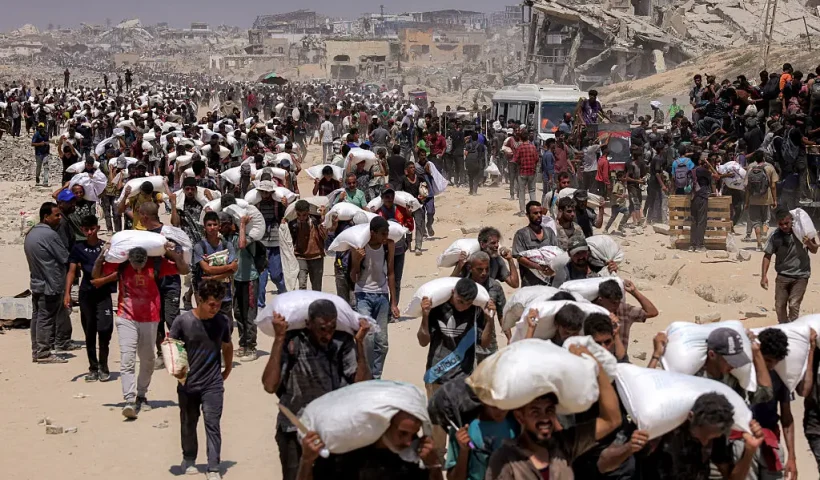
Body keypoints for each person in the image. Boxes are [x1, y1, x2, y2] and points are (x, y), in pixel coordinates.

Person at [262, 299, 371, 480]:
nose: (327, 335)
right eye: (322, 329)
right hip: (293, 428)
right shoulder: (292, 343)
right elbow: (269, 385)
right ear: (308, 324)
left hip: (332, 429)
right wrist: (279, 338)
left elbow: (361, 385)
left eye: (332, 328)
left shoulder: (342, 342)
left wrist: (359, 343)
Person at [485, 344, 622, 480]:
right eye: (535, 412)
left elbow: (612, 420)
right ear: (520, 416)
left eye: (549, 410)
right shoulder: (505, 459)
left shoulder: (564, 444)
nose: (545, 418)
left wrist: (596, 366)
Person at [94, 242, 189, 419]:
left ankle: (141, 395)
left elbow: (183, 270)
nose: (138, 270)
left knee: (148, 359)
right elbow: (96, 274)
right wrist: (101, 255)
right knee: (127, 358)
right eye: (135, 266)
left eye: (141, 266)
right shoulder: (121, 265)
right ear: (129, 260)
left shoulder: (158, 265)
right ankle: (129, 399)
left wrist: (173, 254)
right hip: (126, 317)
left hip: (150, 318)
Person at [418, 277, 495, 456]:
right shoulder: (437, 309)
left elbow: (484, 343)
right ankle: (436, 462)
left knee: (463, 422)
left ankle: (459, 460)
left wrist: (490, 320)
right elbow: (423, 341)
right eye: (460, 301)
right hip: (437, 373)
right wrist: (425, 315)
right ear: (453, 293)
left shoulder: (476, 311)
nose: (463, 307)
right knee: (437, 423)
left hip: (464, 374)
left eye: (467, 303)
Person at [171, 279, 234, 480]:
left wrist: (228, 369)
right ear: (199, 300)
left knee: (212, 423)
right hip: (188, 384)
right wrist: (177, 371)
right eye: (211, 304)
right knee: (188, 422)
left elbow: (227, 346)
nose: (215, 308)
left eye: (219, 303)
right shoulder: (183, 322)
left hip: (213, 383)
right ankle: (189, 458)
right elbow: (172, 347)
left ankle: (213, 467)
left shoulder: (222, 321)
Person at [628, 393, 764, 480]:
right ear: (691, 418)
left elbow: (731, 477)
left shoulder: (716, 436)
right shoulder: (663, 432)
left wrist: (750, 451)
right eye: (702, 436)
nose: (705, 443)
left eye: (711, 438)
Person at [298, 410, 442, 480]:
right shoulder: (345, 454)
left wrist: (434, 466)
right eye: (402, 434)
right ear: (384, 427)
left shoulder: (410, 459)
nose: (409, 442)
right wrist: (307, 461)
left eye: (413, 435)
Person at [735, 327, 796, 480]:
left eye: (775, 362)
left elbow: (787, 418)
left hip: (770, 441)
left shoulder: (781, 376)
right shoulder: (742, 373)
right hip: (743, 442)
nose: (771, 365)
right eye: (767, 360)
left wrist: (792, 457)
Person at [64, 215, 116, 381]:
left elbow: (117, 272)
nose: (89, 233)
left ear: (97, 228)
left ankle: (104, 365)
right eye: (86, 230)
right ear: (82, 230)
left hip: (103, 293)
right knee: (90, 332)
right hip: (86, 293)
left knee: (105, 330)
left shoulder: (106, 247)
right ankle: (93, 368)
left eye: (92, 229)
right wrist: (67, 294)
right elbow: (72, 271)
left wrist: (104, 280)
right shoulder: (78, 248)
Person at [350, 217, 400, 379]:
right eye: (382, 234)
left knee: (382, 342)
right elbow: (353, 277)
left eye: (387, 233)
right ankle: (368, 375)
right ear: (372, 233)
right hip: (363, 294)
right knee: (368, 339)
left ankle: (376, 376)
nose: (386, 237)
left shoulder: (389, 246)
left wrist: (394, 302)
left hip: (382, 296)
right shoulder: (359, 247)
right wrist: (357, 260)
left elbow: (391, 273)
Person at [25, 202, 71, 363]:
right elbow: (65, 257)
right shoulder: (50, 235)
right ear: (46, 217)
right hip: (49, 284)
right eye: (56, 215)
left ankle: (37, 350)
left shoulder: (32, 234)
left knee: (37, 317)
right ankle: (44, 353)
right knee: (45, 318)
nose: (59, 218)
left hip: (37, 282)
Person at [762, 207, 818, 323]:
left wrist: (808, 243)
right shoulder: (775, 236)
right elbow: (767, 255)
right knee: (779, 305)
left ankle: (793, 329)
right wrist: (764, 276)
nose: (784, 226)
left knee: (793, 305)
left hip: (801, 275)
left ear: (791, 220)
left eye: (787, 223)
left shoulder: (802, 232)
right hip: (783, 276)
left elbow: (814, 250)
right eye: (781, 224)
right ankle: (784, 327)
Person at [220, 211, 260, 362]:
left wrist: (242, 224)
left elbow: (242, 245)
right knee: (238, 313)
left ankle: (251, 347)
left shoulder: (246, 236)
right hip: (236, 281)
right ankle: (243, 344)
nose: (220, 228)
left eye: (223, 225)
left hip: (249, 279)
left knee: (249, 314)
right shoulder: (225, 239)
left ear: (231, 225)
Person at [446, 403, 518, 480]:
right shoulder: (462, 429)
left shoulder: (516, 425)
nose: (501, 410)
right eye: (494, 405)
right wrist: (464, 451)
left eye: (504, 403)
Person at [594, 279, 658, 357]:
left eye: (618, 302)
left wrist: (634, 292)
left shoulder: (624, 310)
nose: (616, 306)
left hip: (620, 359)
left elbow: (652, 312)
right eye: (613, 303)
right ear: (601, 300)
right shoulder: (591, 311)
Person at [193, 211, 238, 318]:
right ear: (204, 227)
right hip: (206, 297)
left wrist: (214, 277)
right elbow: (207, 269)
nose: (212, 228)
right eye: (209, 225)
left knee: (227, 328)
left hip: (224, 296)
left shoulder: (227, 245)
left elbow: (234, 268)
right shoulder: (199, 247)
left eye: (215, 224)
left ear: (219, 226)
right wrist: (227, 267)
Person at [376, 188, 413, 311]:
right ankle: (385, 307)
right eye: (386, 196)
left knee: (396, 280)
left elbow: (410, 227)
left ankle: (394, 307)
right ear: (382, 198)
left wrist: (408, 215)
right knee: (383, 279)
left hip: (399, 250)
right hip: (383, 250)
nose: (389, 199)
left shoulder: (401, 210)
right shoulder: (378, 213)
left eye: (391, 196)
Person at [256, 183, 288, 308]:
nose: (264, 195)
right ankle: (260, 305)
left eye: (267, 192)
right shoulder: (256, 205)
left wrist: (285, 206)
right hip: (260, 245)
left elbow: (284, 218)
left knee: (276, 275)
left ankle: (284, 297)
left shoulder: (277, 204)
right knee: (261, 279)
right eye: (262, 192)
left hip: (275, 243)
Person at [512, 201, 558, 287]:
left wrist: (552, 268)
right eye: (535, 213)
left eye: (540, 212)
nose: (539, 215)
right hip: (530, 284)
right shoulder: (521, 234)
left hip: (550, 283)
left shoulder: (549, 232)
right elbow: (519, 257)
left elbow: (557, 253)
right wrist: (538, 267)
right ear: (528, 215)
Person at [288, 200, 327, 291]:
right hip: (300, 256)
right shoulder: (293, 224)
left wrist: (322, 219)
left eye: (304, 215)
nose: (301, 218)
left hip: (316, 256)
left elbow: (325, 236)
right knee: (302, 284)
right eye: (299, 215)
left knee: (316, 287)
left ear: (308, 212)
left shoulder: (315, 221)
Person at [745, 153, 779, 251]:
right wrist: (774, 199)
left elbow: (747, 187)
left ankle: (759, 244)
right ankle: (764, 234)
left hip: (753, 199)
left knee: (756, 222)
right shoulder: (769, 168)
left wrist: (747, 201)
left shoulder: (750, 167)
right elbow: (773, 186)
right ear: (764, 158)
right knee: (766, 220)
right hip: (766, 199)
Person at [512, 133, 538, 216]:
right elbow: (537, 159)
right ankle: (534, 210)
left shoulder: (520, 148)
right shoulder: (533, 147)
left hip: (522, 172)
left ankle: (523, 211)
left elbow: (515, 159)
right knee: (532, 191)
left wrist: (520, 163)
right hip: (532, 172)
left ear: (521, 139)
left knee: (521, 191)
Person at [32, 122, 51, 187]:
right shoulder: (36, 134)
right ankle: (37, 176)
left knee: (46, 167)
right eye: (40, 127)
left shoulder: (46, 134)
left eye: (42, 127)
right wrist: (40, 144)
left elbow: (48, 141)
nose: (41, 129)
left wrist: (46, 143)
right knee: (39, 166)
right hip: (38, 153)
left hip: (45, 153)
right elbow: (32, 143)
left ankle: (45, 181)